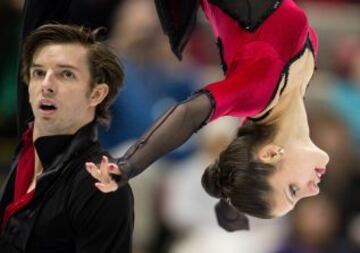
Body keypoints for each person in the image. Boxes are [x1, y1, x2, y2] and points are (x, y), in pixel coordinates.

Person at [86, 0, 330, 231]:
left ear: (270, 154)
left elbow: (189, 114)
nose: (313, 191)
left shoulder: (258, 93)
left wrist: (127, 167)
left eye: (293, 190)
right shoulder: (292, 89)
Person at [0, 23, 134, 252]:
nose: (46, 85)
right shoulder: (28, 150)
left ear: (96, 94)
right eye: (39, 73)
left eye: (66, 74)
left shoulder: (99, 187)